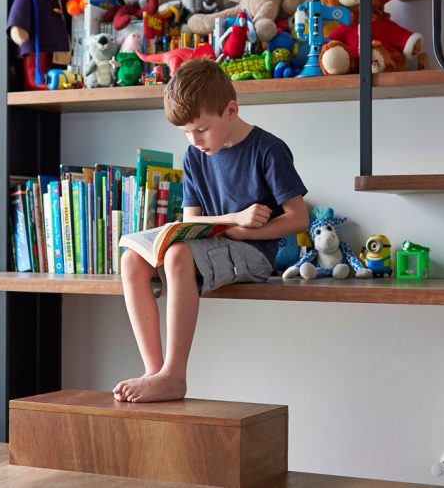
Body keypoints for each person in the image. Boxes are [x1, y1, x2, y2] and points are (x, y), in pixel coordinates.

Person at [113, 59, 308, 402]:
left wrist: (245, 231)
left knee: (176, 256)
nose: (194, 140)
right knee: (131, 260)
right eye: (185, 132)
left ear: (231, 110)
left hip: (255, 255)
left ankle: (175, 375)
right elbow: (191, 222)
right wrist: (235, 220)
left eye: (200, 129)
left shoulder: (268, 150)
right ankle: (155, 372)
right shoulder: (194, 156)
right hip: (212, 245)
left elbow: (298, 220)